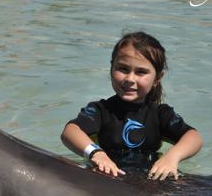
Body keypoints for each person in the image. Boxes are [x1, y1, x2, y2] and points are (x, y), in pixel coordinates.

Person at [61, 31, 203, 180]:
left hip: (151, 181)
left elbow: (194, 137)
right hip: (108, 179)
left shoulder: (159, 114)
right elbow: (70, 132)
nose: (130, 79)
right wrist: (96, 153)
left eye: (141, 72)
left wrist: (172, 157)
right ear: (111, 68)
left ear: (157, 79)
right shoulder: (101, 110)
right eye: (123, 69)